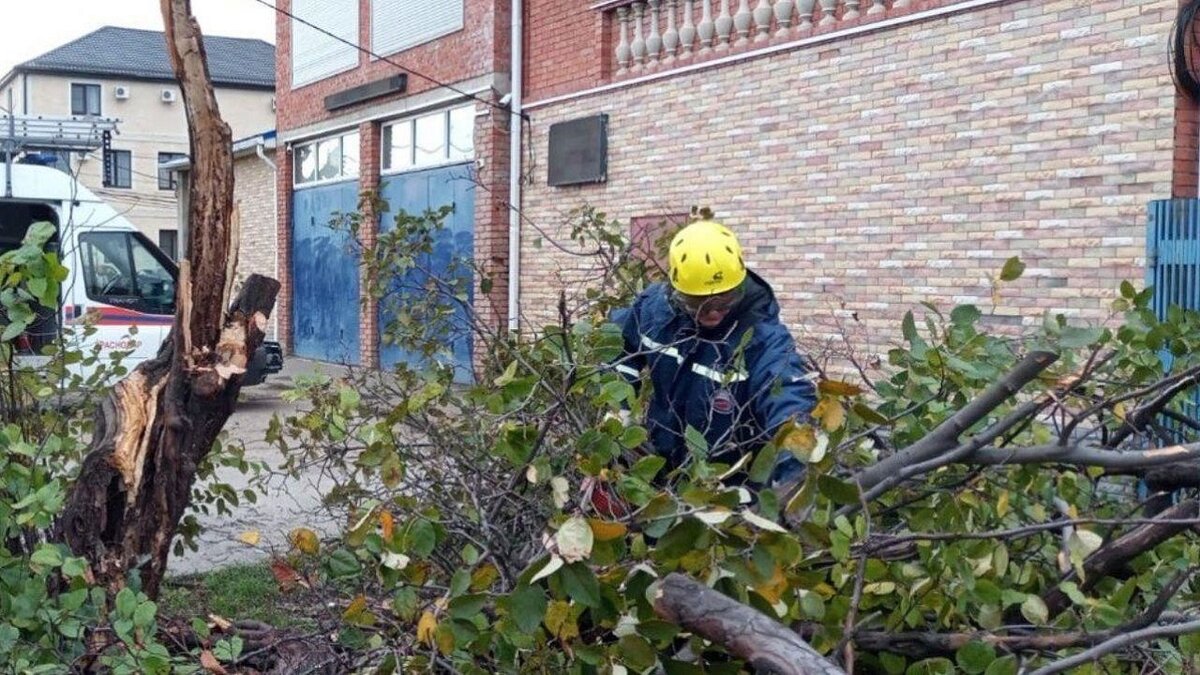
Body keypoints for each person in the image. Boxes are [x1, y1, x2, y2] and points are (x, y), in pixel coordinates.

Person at [609, 219, 817, 488]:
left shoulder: (763, 340)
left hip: (730, 486)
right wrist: (619, 408)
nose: (714, 312)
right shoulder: (654, 313)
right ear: (676, 291)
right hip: (663, 473)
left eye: (724, 300)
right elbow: (615, 346)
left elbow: (789, 400)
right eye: (698, 303)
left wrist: (796, 474)